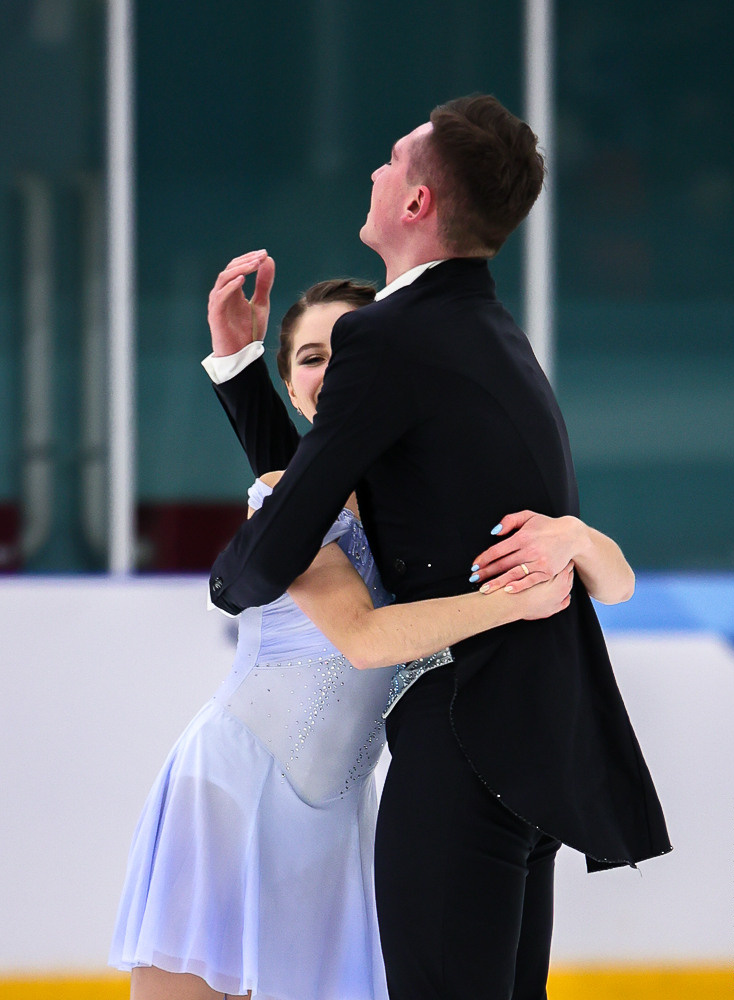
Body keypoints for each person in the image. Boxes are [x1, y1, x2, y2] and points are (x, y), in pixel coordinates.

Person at [206, 94, 671, 1000]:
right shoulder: (487, 334)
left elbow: (294, 530)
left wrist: (230, 581)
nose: (376, 172)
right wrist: (241, 371)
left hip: (465, 741)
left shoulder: (388, 337)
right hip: (530, 742)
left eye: (390, 160)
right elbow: (337, 495)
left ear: (418, 204)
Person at [109, 276, 580, 1000]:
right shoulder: (286, 491)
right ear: (292, 388)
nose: (330, 372)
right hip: (233, 788)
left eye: (351, 350)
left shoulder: (414, 502)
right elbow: (362, 638)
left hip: (336, 815)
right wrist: (512, 601)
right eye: (310, 359)